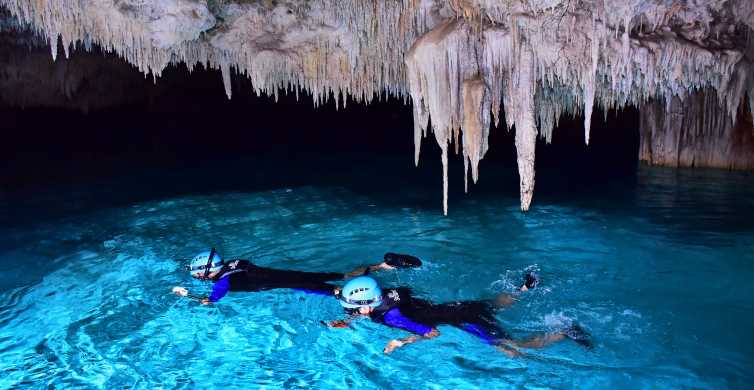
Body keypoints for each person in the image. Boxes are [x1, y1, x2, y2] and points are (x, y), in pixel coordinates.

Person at [324, 276, 592, 357]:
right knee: (492, 304)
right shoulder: (390, 294)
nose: (349, 310)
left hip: (464, 320)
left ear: (368, 304)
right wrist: (348, 321)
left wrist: (400, 343)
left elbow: (432, 332)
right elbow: (369, 309)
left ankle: (565, 331)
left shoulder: (394, 317)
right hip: (458, 306)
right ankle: (525, 286)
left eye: (352, 307)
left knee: (513, 349)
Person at [172, 248, 422, 304]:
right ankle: (383, 266)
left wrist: (188, 296)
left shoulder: (223, 283)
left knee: (334, 292)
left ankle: (384, 298)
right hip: (289, 274)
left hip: (287, 281)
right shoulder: (234, 264)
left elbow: (210, 302)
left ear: (209, 272)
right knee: (342, 274)